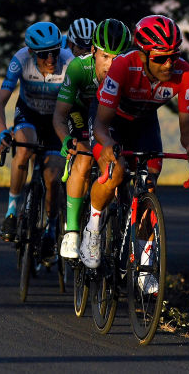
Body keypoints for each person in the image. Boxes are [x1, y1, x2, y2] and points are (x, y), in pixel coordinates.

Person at [79, 14, 189, 278]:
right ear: (143, 54)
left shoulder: (184, 74)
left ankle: (145, 267)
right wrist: (109, 147)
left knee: (148, 187)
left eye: (174, 55)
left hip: (144, 122)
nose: (169, 64)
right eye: (160, 58)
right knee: (115, 171)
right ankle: (92, 227)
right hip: (109, 119)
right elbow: (101, 126)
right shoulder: (124, 66)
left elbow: (188, 130)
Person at [0, 21, 73, 263]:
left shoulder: (69, 62)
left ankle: (50, 229)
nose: (50, 59)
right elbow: (0, 103)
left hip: (58, 120)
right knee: (23, 150)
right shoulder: (20, 60)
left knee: (52, 177)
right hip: (28, 114)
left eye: (54, 52)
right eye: (43, 54)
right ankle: (12, 213)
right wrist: (2, 132)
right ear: (31, 52)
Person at [53, 18, 133, 260]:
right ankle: (73, 232)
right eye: (106, 57)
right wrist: (66, 139)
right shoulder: (79, 68)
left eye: (117, 59)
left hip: (109, 115)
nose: (111, 65)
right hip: (79, 112)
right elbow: (59, 114)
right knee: (85, 156)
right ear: (94, 51)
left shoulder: (128, 72)